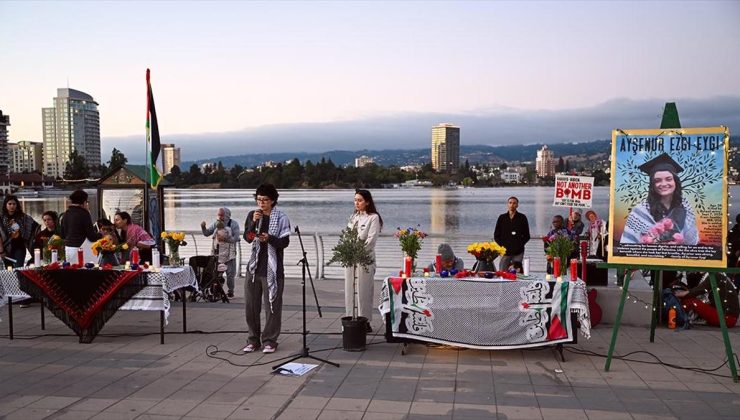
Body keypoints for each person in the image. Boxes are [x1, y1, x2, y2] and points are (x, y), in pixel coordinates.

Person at [242, 184, 291, 354]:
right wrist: (254, 223)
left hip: (273, 268)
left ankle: (270, 340)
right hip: (254, 268)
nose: (261, 203)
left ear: (273, 201)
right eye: (259, 200)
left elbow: (284, 243)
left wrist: (269, 238)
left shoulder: (282, 218)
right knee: (251, 306)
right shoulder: (252, 215)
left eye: (265, 200)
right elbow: (248, 238)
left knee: (272, 306)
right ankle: (253, 339)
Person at [621, 153, 699, 245]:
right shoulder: (641, 210)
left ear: (675, 182)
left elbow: (693, 241)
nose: (663, 184)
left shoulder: (685, 206)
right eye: (657, 180)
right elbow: (628, 243)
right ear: (652, 185)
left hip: (679, 257)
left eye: (669, 179)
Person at [344, 189, 383, 333]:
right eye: (355, 200)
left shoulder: (373, 218)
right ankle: (350, 317)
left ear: (367, 202)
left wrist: (358, 252)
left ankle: (364, 320)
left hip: (364, 259)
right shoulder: (353, 217)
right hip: (350, 258)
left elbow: (371, 240)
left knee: (364, 290)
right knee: (350, 289)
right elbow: (347, 236)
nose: (357, 203)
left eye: (360, 200)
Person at [201, 207, 240, 298]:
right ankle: (217, 290)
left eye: (221, 215)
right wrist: (203, 227)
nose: (219, 217)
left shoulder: (234, 224)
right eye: (218, 214)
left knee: (230, 274)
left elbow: (236, 238)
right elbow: (207, 233)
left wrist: (226, 239)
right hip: (217, 253)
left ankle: (231, 291)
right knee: (216, 273)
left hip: (229, 253)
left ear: (227, 215)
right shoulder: (216, 224)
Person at [673, 273, 739, 328]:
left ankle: (679, 317)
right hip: (728, 318)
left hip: (727, 319)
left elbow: (699, 290)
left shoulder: (715, 276)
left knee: (691, 301)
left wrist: (682, 294)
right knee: (693, 301)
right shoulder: (719, 276)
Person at [61, 190, 102, 264]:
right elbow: (91, 237)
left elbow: (63, 234)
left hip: (68, 249)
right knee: (83, 273)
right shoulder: (84, 213)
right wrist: (101, 234)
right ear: (84, 202)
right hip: (81, 249)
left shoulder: (66, 213)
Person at [0, 195, 39, 268]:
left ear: (17, 205)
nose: (12, 206)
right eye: (9, 204)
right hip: (6, 249)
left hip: (19, 248)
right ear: (5, 205)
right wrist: (1, 251)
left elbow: (35, 227)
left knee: (18, 269)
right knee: (8, 271)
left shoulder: (23, 217)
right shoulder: (1, 218)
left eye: (14, 204)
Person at [493, 196, 531, 271]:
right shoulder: (502, 218)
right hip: (505, 251)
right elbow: (496, 235)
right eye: (510, 203)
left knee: (516, 272)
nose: (512, 205)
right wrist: (502, 246)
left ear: (517, 205)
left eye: (514, 203)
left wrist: (519, 244)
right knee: (502, 271)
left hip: (518, 251)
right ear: (507, 204)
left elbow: (527, 235)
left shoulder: (522, 217)